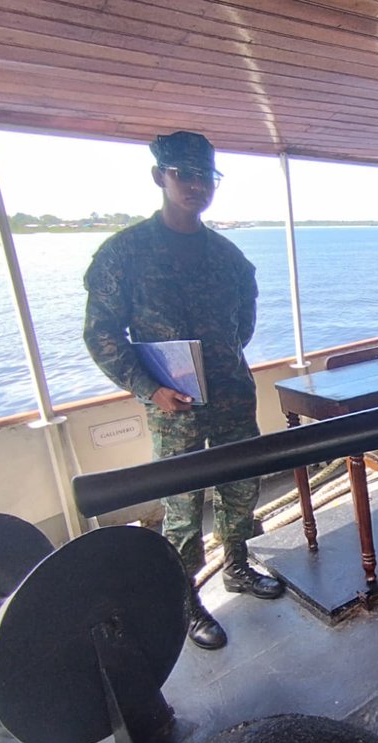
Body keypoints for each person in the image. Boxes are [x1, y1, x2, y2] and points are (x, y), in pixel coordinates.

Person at [84, 130, 284, 653]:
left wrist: (217, 366)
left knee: (241, 483)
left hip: (231, 395)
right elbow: (101, 333)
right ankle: (185, 596)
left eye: (205, 176)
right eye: (184, 174)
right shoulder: (123, 255)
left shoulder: (228, 257)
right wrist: (150, 388)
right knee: (183, 502)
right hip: (173, 405)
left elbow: (243, 324)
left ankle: (237, 564)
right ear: (160, 177)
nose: (196, 185)